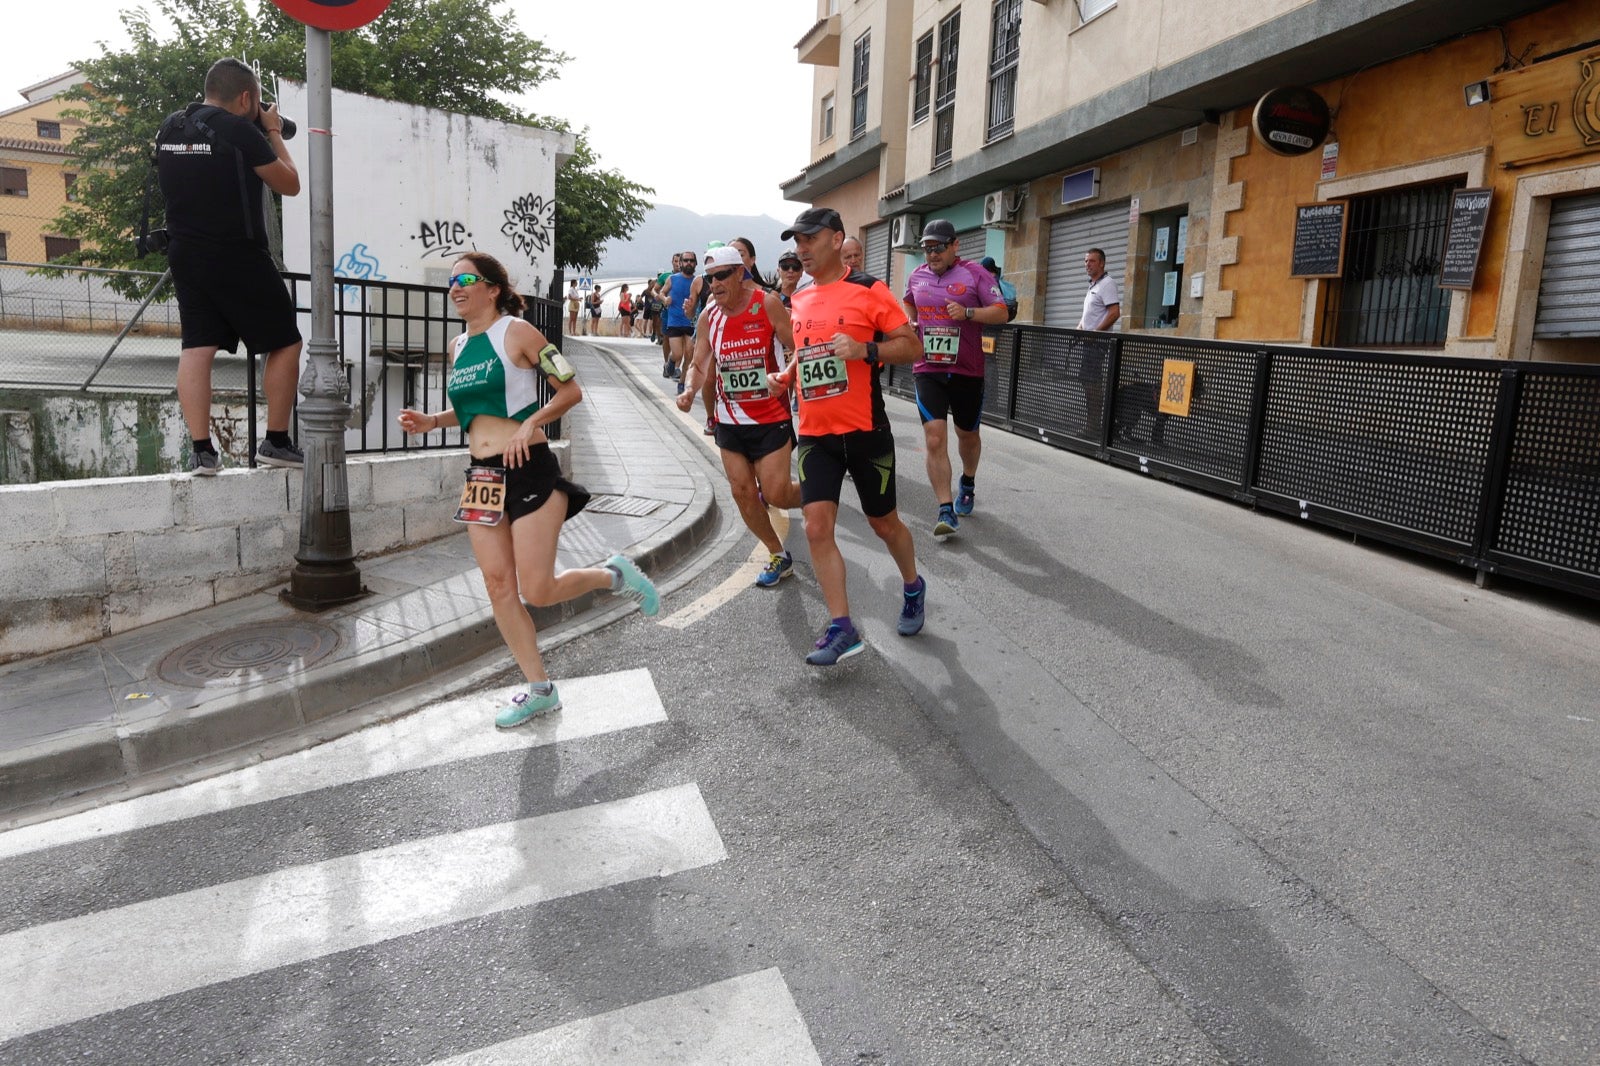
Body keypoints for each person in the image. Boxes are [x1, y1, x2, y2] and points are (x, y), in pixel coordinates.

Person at [397, 252, 659, 728]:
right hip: (482, 478)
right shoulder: (459, 346)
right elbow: (475, 409)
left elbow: (569, 391)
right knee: (498, 586)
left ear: (492, 288)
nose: (456, 288)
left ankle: (614, 576)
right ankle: (540, 689)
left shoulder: (517, 332)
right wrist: (432, 421)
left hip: (528, 468)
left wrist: (529, 423)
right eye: (452, 282)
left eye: (466, 279)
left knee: (537, 590)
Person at [772, 206, 927, 665]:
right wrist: (789, 374)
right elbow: (808, 349)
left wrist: (865, 349)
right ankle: (842, 627)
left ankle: (913, 585)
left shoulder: (868, 290)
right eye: (797, 242)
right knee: (816, 526)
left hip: (865, 431)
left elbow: (912, 345)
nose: (802, 250)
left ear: (837, 240)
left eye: (810, 239)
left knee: (884, 524)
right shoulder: (800, 297)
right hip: (815, 434)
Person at [154, 57, 303, 475]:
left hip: (184, 253)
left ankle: (202, 452)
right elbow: (289, 183)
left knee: (197, 347)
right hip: (236, 253)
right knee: (286, 341)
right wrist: (272, 130)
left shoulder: (171, 128)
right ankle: (276, 442)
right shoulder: (239, 130)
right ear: (246, 98)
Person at [675, 246, 802, 586]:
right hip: (730, 420)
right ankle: (777, 554)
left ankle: (818, 492)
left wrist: (786, 375)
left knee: (776, 494)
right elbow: (699, 363)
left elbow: (798, 348)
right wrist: (690, 390)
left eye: (721, 276)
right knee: (742, 492)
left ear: (739, 273)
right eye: (709, 278)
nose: (714, 284)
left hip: (770, 416)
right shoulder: (709, 316)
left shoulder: (767, 304)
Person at [902, 219, 1008, 539]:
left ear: (954, 246)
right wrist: (911, 322)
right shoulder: (917, 276)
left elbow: (1001, 312)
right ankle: (945, 508)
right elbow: (908, 301)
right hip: (928, 368)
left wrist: (969, 313)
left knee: (967, 435)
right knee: (935, 438)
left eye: (938, 247)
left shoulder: (975, 274)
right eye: (927, 248)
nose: (932, 254)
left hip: (967, 370)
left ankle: (968, 482)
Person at [1077, 247, 1121, 430]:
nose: (1088, 264)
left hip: (1097, 344)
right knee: (1087, 382)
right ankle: (1092, 423)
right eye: (1086, 261)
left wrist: (1095, 333)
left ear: (1102, 263)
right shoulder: (1093, 285)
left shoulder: (1107, 284)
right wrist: (1079, 329)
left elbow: (1114, 313)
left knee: (1093, 383)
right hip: (1088, 342)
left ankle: (1094, 425)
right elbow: (1090, 314)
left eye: (1092, 261)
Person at [663, 250, 697, 389]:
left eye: (691, 261)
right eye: (685, 260)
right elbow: (661, 292)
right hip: (675, 321)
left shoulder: (698, 281)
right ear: (680, 263)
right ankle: (670, 362)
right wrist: (665, 299)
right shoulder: (672, 279)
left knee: (689, 355)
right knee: (677, 354)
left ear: (695, 264)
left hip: (691, 322)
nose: (688, 263)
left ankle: (682, 382)